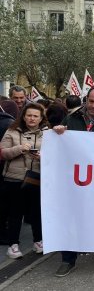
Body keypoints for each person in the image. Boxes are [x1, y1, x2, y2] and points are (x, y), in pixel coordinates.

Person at [52, 87, 94, 277]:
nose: (93, 105)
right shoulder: (72, 119)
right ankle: (68, 259)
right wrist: (58, 133)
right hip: (75, 180)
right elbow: (60, 144)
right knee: (72, 218)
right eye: (91, 101)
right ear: (86, 100)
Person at [1, 103, 47, 259]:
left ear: (41, 118)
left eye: (35, 116)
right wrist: (20, 148)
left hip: (36, 177)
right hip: (14, 179)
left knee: (36, 212)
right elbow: (3, 153)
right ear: (23, 116)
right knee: (15, 213)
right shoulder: (12, 131)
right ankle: (13, 245)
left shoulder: (47, 134)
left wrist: (43, 157)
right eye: (29, 115)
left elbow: (57, 156)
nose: (32, 118)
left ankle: (38, 241)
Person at [0, 100, 18, 245]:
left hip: (12, 175)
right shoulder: (10, 126)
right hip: (9, 174)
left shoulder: (9, 124)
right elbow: (4, 152)